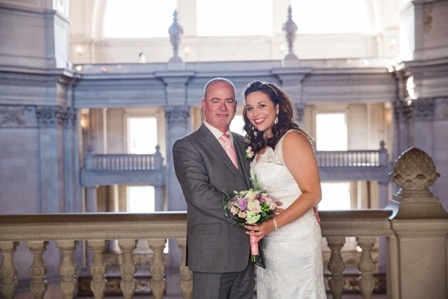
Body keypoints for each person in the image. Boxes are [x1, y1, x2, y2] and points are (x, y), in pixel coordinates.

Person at [242, 80, 326, 298]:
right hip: (270, 240)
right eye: (250, 107)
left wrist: (273, 224)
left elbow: (313, 193)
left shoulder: (293, 139)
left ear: (277, 107)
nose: (254, 113)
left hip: (296, 239)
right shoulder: (259, 144)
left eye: (262, 105)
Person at [173, 77, 255, 299]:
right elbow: (200, 194)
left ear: (236, 106)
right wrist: (249, 213)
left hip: (248, 253)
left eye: (228, 101)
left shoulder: (245, 144)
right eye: (216, 101)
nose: (223, 108)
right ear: (204, 104)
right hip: (213, 254)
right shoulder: (187, 146)